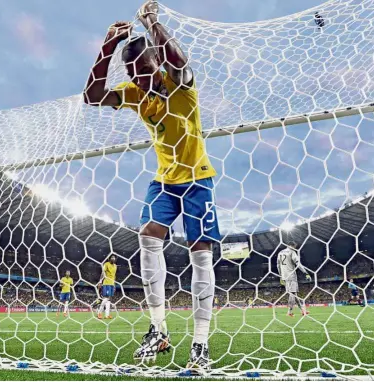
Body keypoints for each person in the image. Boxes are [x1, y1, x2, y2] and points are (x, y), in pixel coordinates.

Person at [83, 1, 220, 370]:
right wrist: (108, 47)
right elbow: (92, 96)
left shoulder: (179, 83)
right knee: (147, 235)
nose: (140, 79)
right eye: (133, 72)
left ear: (155, 62)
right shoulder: (135, 93)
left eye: (143, 69)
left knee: (200, 253)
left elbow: (179, 62)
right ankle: (158, 329)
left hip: (197, 178)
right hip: (164, 180)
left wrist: (152, 23)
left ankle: (200, 343)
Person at [277, 241, 311, 317]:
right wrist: (306, 273)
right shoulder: (292, 252)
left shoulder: (280, 253)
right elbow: (298, 264)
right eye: (295, 247)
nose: (295, 248)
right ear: (292, 246)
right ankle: (289, 312)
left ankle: (303, 310)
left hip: (284, 276)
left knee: (294, 294)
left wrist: (281, 276)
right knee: (292, 294)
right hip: (291, 275)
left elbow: (278, 265)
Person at [97, 255, 117, 319]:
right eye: (112, 257)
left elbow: (114, 276)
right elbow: (103, 273)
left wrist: (114, 284)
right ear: (109, 258)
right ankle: (99, 313)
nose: (113, 258)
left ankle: (107, 315)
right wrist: (100, 281)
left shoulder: (115, 266)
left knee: (109, 299)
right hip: (106, 283)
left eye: (114, 257)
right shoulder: (106, 264)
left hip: (112, 284)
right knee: (106, 298)